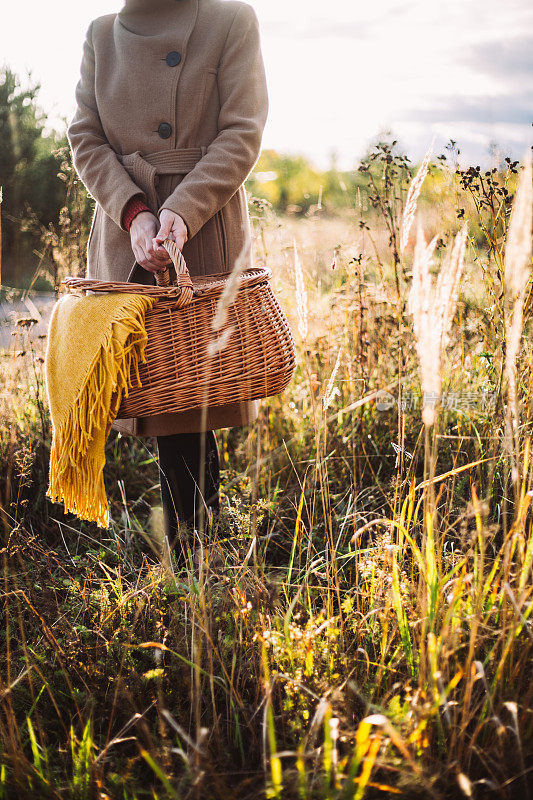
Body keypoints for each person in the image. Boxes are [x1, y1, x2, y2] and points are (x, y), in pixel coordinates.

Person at [67, 0, 269, 560]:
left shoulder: (231, 21)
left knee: (191, 400)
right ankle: (186, 554)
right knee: (156, 395)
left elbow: (242, 132)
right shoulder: (101, 35)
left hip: (200, 227)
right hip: (125, 231)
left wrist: (180, 213)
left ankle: (191, 558)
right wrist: (135, 213)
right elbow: (84, 136)